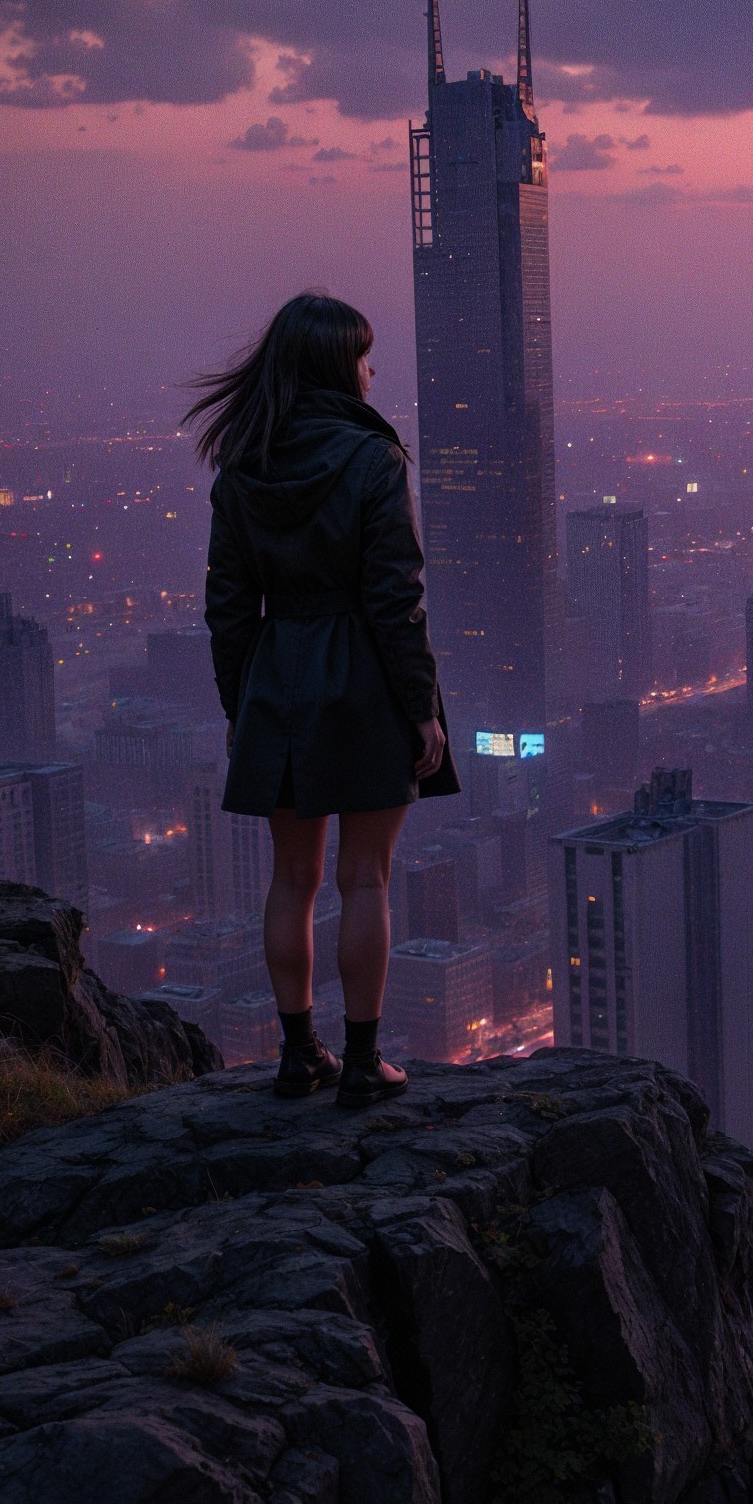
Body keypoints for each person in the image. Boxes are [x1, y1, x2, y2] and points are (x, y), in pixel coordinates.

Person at [188, 292, 457, 1108]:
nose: (373, 371)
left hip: (277, 678)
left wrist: (240, 707)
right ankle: (365, 1062)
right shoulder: (375, 460)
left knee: (292, 877)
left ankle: (299, 1054)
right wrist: (421, 706)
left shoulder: (243, 467)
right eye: (365, 357)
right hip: (364, 679)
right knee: (364, 877)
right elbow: (396, 598)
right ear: (339, 366)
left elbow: (228, 608)